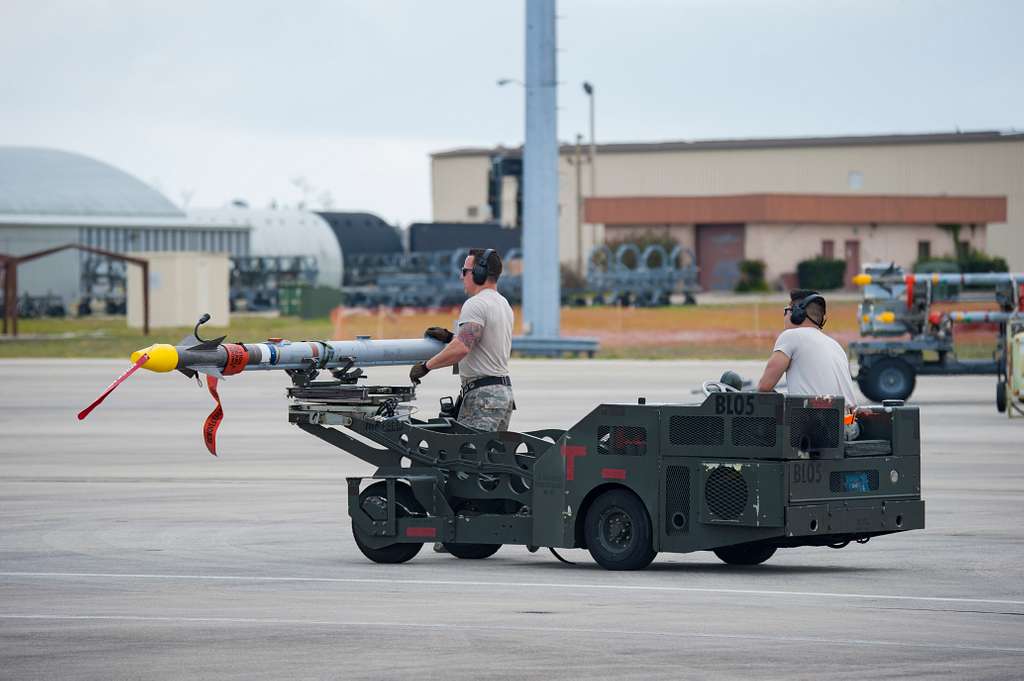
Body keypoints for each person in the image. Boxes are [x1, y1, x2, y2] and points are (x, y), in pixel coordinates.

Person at [409, 248, 514, 432]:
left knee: (470, 457)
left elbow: (462, 347)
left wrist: (426, 367)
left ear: (479, 273)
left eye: (465, 271)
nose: (461, 277)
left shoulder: (476, 304)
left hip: (483, 398)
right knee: (490, 458)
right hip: (502, 394)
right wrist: (451, 337)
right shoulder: (502, 303)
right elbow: (478, 341)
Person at [757, 289, 858, 410]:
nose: (784, 315)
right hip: (847, 423)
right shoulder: (836, 346)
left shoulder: (791, 336)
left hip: (814, 421)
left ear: (796, 314)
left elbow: (764, 386)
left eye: (786, 311)